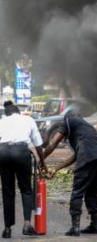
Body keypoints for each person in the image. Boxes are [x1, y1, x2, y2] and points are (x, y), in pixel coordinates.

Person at [44, 110, 97, 236]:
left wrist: (41, 160)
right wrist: (56, 168)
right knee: (92, 192)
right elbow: (76, 155)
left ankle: (75, 227)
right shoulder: (87, 127)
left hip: (89, 154)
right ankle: (95, 224)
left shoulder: (68, 121)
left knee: (77, 191)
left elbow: (53, 143)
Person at [0, 101, 48, 238]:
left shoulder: (1, 121)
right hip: (21, 152)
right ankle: (27, 225)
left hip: (3, 152)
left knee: (7, 191)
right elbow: (38, 144)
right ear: (18, 112)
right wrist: (42, 162)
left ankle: (7, 229)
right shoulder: (28, 119)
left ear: (6, 113)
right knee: (26, 189)